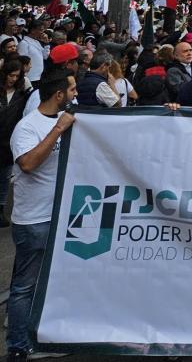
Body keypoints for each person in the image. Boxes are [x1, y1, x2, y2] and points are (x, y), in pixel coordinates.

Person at [7, 68, 76, 361]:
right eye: (71, 90)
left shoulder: (69, 121)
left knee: (52, 283)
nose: (76, 95)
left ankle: (42, 337)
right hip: (33, 220)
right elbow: (28, 164)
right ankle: (18, 346)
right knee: (25, 286)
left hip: (60, 217)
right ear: (59, 95)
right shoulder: (27, 127)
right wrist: (58, 129)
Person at [0, 59, 29, 228]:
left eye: (17, 76)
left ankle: (1, 209)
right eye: (11, 75)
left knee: (4, 178)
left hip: (8, 142)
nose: (13, 79)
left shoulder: (22, 94)